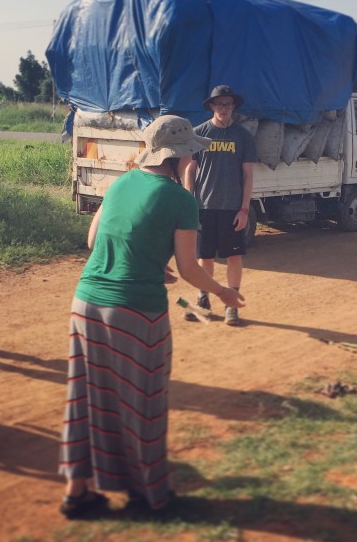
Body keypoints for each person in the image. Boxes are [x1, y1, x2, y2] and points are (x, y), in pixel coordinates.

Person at [59, 115, 245, 517]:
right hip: (135, 310)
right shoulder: (181, 199)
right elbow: (191, 268)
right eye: (189, 156)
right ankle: (149, 496)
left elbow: (94, 240)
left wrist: (145, 258)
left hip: (86, 303)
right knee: (141, 400)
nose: (193, 163)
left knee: (86, 399)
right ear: (177, 158)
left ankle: (77, 493)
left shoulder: (122, 181)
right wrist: (224, 292)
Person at [181, 85, 257, 326]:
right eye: (219, 104)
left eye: (228, 104)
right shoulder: (199, 133)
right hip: (204, 207)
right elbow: (190, 170)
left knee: (233, 256)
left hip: (232, 209)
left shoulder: (243, 136)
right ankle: (203, 300)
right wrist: (189, 202)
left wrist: (244, 209)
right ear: (212, 106)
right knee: (205, 257)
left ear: (233, 106)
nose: (223, 108)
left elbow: (248, 175)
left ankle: (231, 305)